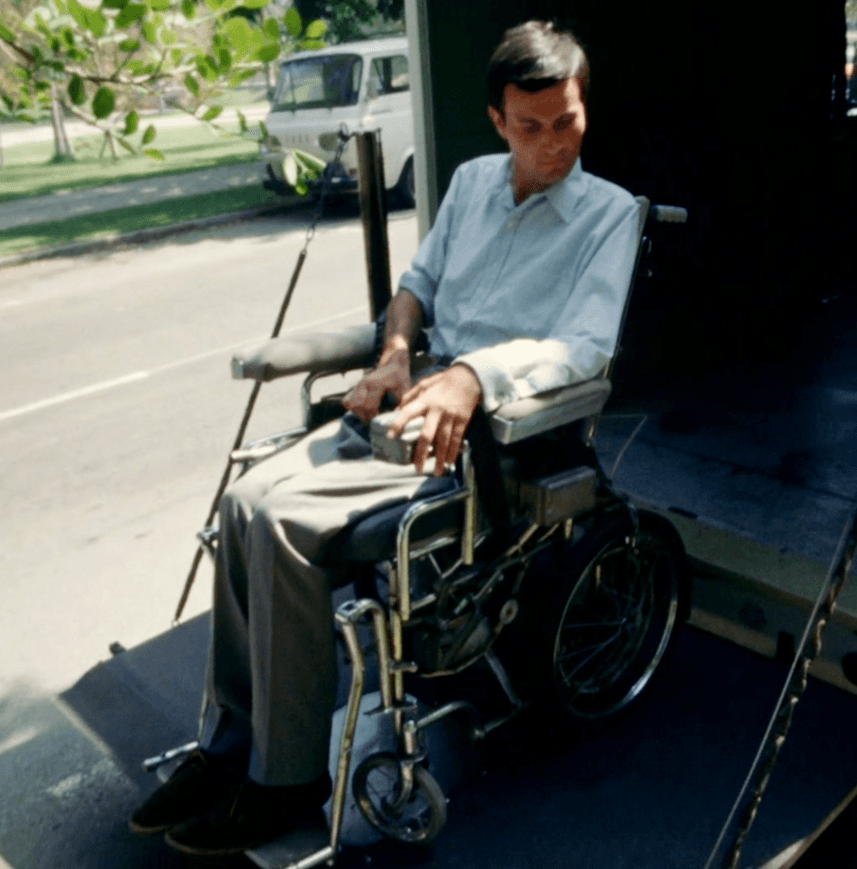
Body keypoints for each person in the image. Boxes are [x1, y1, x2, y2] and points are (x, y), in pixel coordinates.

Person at [129, 19, 641, 857]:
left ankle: (283, 779)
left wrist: (471, 378)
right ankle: (227, 748)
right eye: (530, 126)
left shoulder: (608, 214)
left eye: (568, 121)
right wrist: (396, 352)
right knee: (244, 501)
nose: (553, 144)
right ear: (497, 119)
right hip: (411, 397)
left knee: (283, 525)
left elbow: (584, 346)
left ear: (585, 108)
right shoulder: (472, 184)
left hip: (490, 431)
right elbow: (417, 286)